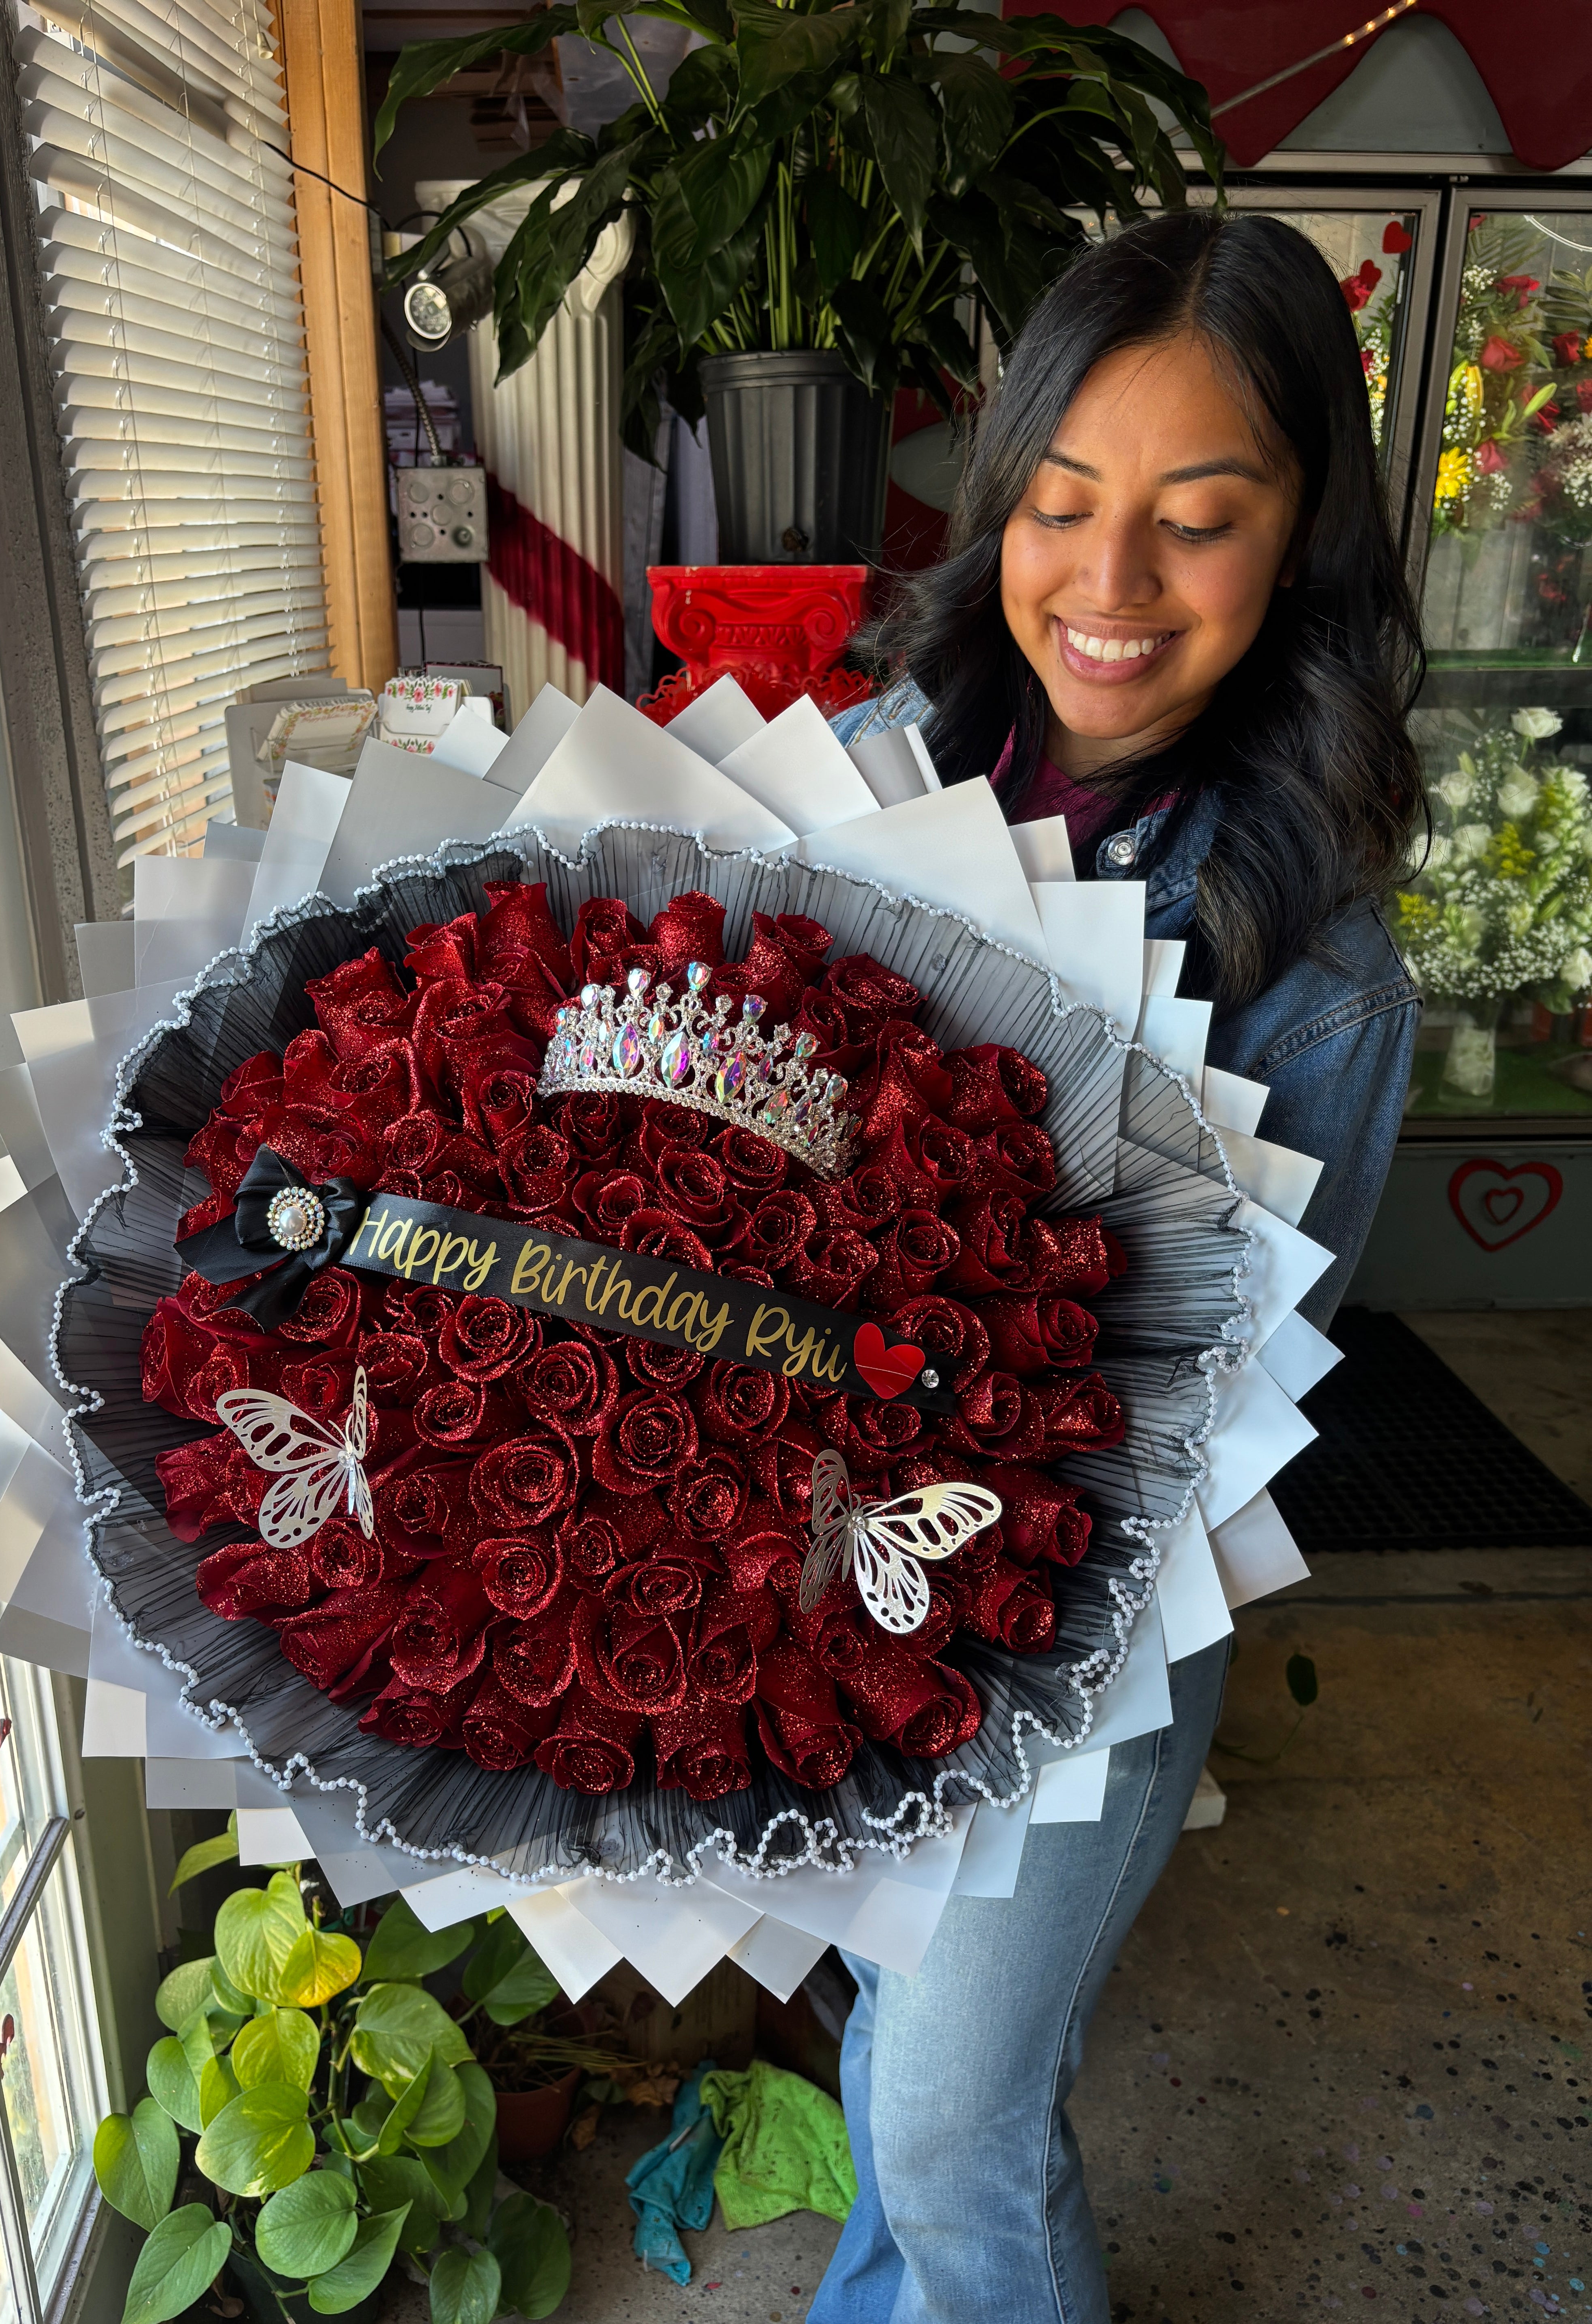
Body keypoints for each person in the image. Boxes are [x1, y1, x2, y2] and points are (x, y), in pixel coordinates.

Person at [814, 210, 1425, 2324]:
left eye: (1198, 521)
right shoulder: (894, 764)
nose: (1108, 585)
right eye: (1061, 506)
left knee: (955, 2118)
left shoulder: (1322, 971)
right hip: (838, 1559)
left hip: (1084, 1620)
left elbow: (1198, 1413)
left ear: (1303, 536)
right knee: (880, 2039)